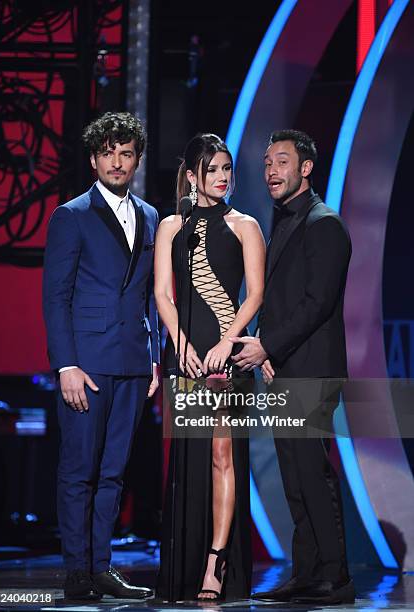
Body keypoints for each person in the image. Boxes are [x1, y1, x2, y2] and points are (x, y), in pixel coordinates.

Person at [232, 130, 354, 606]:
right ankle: (307, 572)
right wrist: (269, 351)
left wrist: (267, 347)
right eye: (266, 163)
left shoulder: (324, 224)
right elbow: (278, 299)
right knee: (293, 475)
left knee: (311, 472)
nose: (270, 171)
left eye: (281, 161)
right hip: (286, 365)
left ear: (305, 168)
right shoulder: (283, 221)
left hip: (313, 367)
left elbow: (315, 304)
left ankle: (335, 577)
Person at [43, 112, 159, 601]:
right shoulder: (71, 215)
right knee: (79, 470)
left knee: (114, 471)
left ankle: (102, 567)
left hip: (133, 363)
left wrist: (154, 357)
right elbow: (56, 296)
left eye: (126, 153)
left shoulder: (151, 216)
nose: (117, 161)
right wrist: (65, 364)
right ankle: (77, 571)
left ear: (136, 160)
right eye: (108, 151)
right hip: (86, 364)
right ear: (94, 159)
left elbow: (150, 296)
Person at [154, 133, 265, 601]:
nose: (222, 178)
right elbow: (163, 293)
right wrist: (180, 343)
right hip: (187, 354)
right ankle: (184, 560)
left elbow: (255, 294)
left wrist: (224, 343)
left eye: (227, 169)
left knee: (222, 455)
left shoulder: (245, 225)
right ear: (193, 174)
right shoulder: (172, 226)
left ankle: (216, 563)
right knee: (187, 461)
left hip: (226, 357)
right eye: (213, 169)